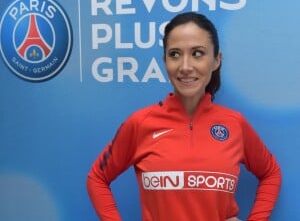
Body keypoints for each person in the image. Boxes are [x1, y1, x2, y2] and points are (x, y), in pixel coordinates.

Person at [87, 12, 281, 220]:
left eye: (197, 53)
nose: (185, 66)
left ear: (216, 60)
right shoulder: (141, 123)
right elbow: (97, 178)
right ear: (165, 61)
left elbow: (271, 172)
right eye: (175, 54)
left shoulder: (234, 124)